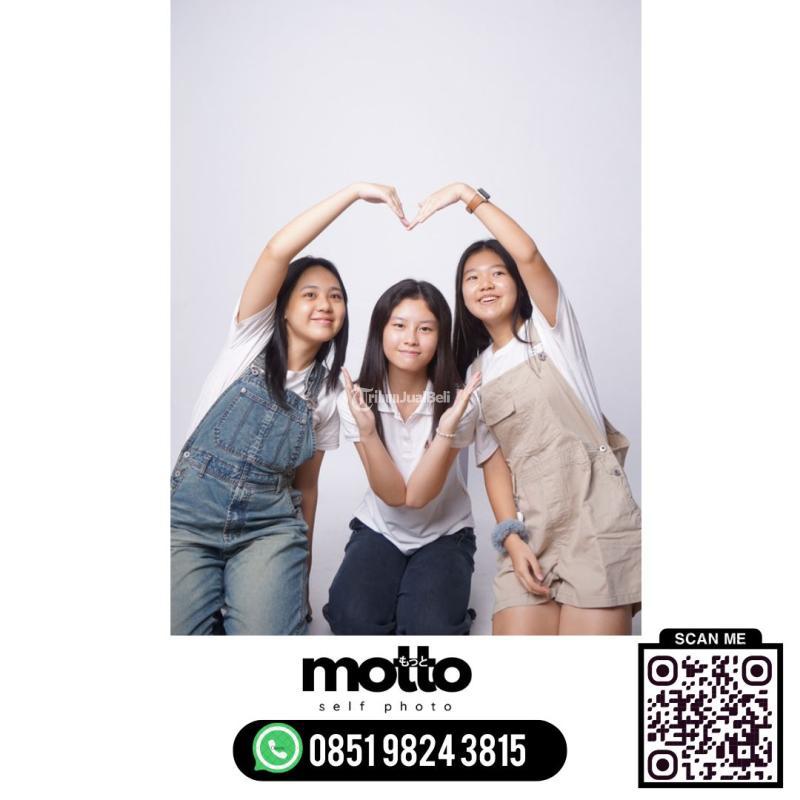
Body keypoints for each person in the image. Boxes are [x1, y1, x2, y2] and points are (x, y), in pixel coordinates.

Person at [171, 182, 408, 635]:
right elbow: (277, 251)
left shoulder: (329, 394)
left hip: (269, 529)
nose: (325, 304)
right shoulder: (248, 339)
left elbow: (308, 488)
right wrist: (354, 193)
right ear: (283, 307)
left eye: (336, 296)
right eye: (311, 294)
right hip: (187, 520)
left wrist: (301, 573)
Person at [409, 183, 641, 635]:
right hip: (531, 528)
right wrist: (511, 539)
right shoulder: (475, 373)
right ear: (462, 295)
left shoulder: (552, 332)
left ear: (518, 283)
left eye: (498, 273)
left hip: (594, 518)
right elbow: (494, 466)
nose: (485, 284)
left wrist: (465, 196)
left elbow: (529, 254)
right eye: (472, 278)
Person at [323, 280, 482, 635]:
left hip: (445, 532)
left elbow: (418, 497)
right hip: (381, 527)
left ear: (440, 338)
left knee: (429, 629)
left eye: (425, 329)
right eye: (399, 325)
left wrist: (446, 429)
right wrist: (367, 431)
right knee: (353, 621)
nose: (411, 339)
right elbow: (394, 496)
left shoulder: (458, 402)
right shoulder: (356, 400)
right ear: (380, 330)